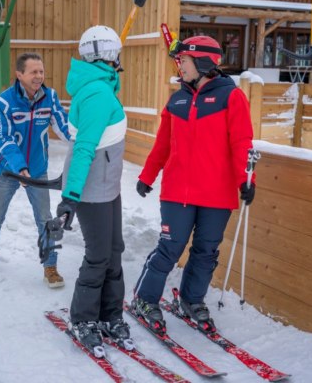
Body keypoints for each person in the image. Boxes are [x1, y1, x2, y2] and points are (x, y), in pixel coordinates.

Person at [131, 35, 255, 334]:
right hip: (178, 192)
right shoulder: (177, 99)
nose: (180, 66)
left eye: (183, 61)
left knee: (206, 251)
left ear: (202, 62)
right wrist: (147, 176)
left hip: (217, 193)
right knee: (170, 248)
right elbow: (162, 145)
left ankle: (191, 299)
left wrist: (246, 180)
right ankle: (145, 299)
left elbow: (242, 143)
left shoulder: (231, 97)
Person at [54, 25, 132, 355]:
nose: (119, 58)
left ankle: (110, 314)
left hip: (107, 186)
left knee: (114, 250)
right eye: (116, 53)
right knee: (99, 255)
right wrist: (70, 197)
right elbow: (84, 147)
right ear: (107, 55)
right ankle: (83, 318)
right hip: (92, 192)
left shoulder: (98, 86)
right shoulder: (99, 94)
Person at [0, 52, 70, 289]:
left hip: (37, 170)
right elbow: (4, 138)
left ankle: (50, 266)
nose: (39, 76)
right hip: (6, 170)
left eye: (41, 72)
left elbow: (64, 127)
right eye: (34, 72)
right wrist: (19, 168)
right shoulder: (4, 101)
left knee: (45, 220)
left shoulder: (50, 97)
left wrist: (82, 145)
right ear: (19, 74)